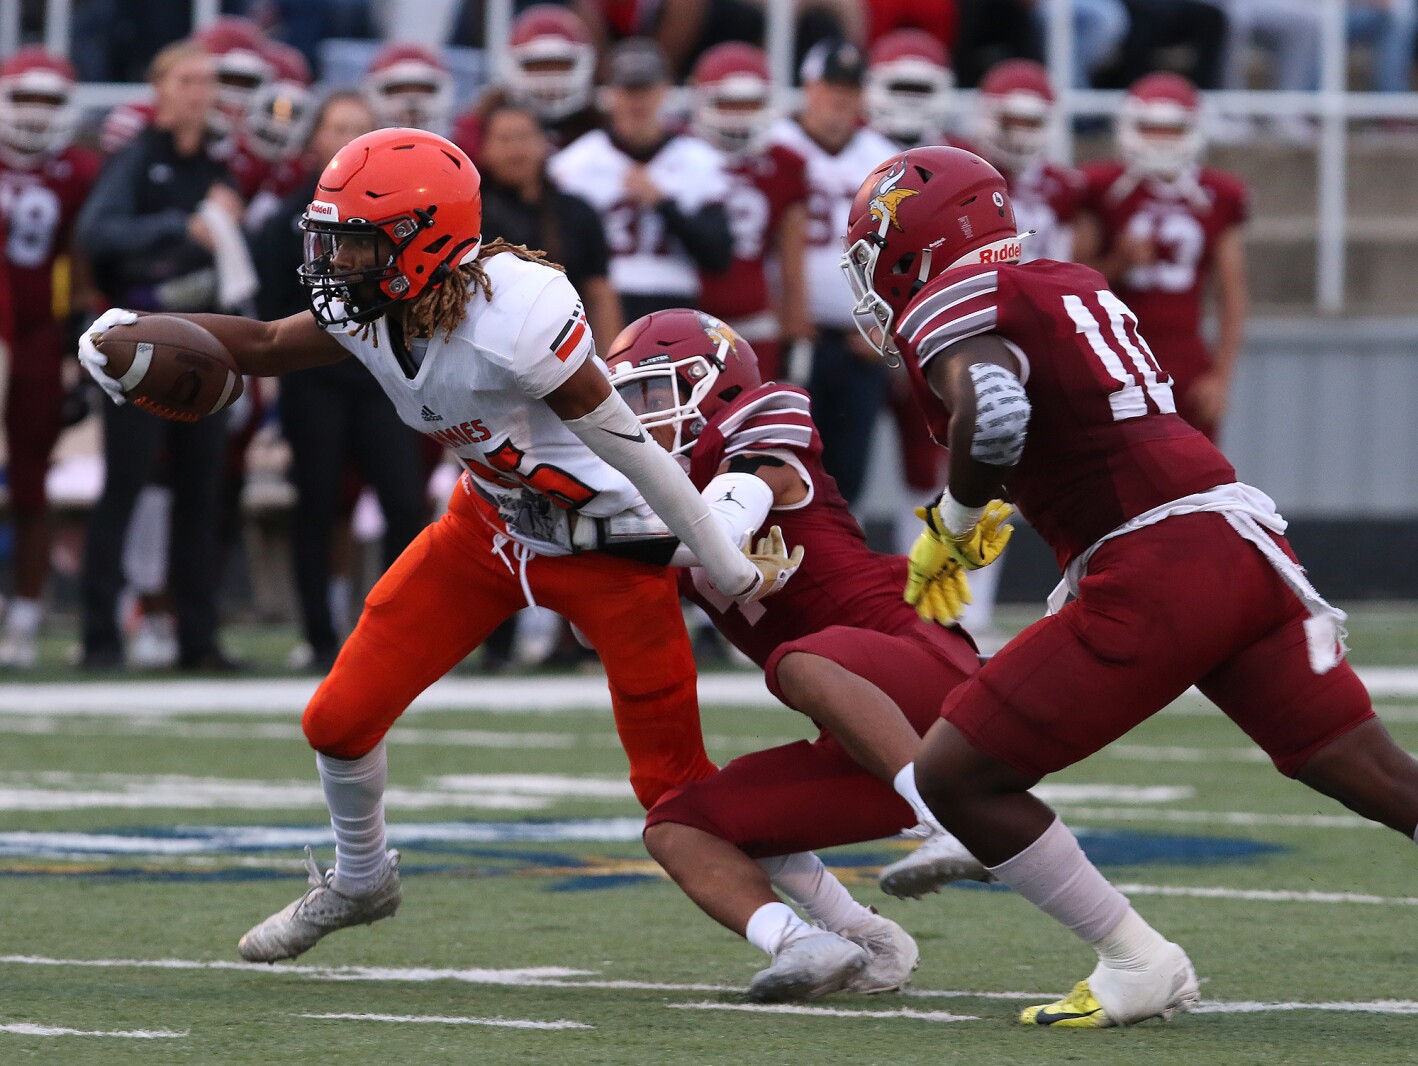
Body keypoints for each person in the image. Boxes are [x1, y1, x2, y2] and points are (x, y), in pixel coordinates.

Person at [79, 127, 803, 962]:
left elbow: (629, 447)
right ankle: (360, 879)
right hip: (489, 532)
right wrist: (135, 329)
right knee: (337, 719)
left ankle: (822, 934)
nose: (333, 263)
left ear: (422, 242)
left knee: (672, 785)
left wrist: (717, 555)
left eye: (353, 244)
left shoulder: (515, 316)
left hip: (606, 549)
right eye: (332, 241)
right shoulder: (375, 309)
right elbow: (270, 345)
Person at [841, 143, 1418, 1028]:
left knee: (955, 777)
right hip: (1240, 546)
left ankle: (1137, 960)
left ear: (913, 242)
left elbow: (993, 412)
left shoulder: (957, 304)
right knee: (1370, 770)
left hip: (1155, 567)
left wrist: (953, 525)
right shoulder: (1065, 278)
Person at [607, 307, 987, 1001]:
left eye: (652, 396)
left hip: (927, 671)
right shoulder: (649, 507)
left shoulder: (760, 434)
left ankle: (949, 819)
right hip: (863, 733)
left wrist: (603, 532)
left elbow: (722, 521)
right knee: (677, 826)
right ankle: (829, 940)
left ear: (711, 386)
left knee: (800, 660)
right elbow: (590, 624)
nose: (638, 419)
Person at [75, 40, 246, 672]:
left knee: (203, 489)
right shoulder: (136, 158)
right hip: (138, 347)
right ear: (160, 92)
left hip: (203, 349)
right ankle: (100, 635)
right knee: (125, 482)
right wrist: (180, 226)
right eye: (187, 79)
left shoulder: (214, 168)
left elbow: (233, 264)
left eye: (208, 80)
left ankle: (197, 639)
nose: (201, 91)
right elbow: (97, 232)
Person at [251, 91, 428, 674]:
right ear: (315, 139)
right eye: (338, 127)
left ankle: (403, 627)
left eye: (359, 128)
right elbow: (272, 313)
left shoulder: (396, 214)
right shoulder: (287, 218)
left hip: (382, 373)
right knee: (319, 503)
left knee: (404, 499)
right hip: (315, 377)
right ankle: (320, 633)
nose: (347, 138)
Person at [1075, 72, 1248, 442]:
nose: (1162, 140)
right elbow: (1070, 284)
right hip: (1113, 357)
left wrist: (1221, 376)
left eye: (1172, 129)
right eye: (1151, 128)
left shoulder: (1219, 194)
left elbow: (1231, 294)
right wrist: (1119, 263)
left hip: (1186, 357)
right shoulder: (1101, 187)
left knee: (1195, 489)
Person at [0, 48, 101, 668]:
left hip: (39, 333)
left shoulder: (80, 170)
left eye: (47, 101)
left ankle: (28, 618)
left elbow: (83, 264)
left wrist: (76, 340)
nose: (35, 115)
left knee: (34, 476)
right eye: (24, 99)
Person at [771, 38, 898, 505]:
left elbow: (906, 249)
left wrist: (889, 327)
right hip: (790, 338)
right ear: (808, 87)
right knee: (784, 468)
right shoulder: (774, 147)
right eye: (830, 86)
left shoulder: (885, 157)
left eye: (850, 87)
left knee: (848, 483)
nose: (840, 98)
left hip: (859, 341)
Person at [549, 38, 733, 323]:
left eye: (645, 89)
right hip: (598, 299)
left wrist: (663, 204)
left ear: (665, 91)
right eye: (628, 89)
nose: (637, 100)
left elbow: (718, 257)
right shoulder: (574, 164)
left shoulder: (700, 160)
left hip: (676, 299)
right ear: (609, 93)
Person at [688, 42, 810, 384]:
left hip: (756, 318)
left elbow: (791, 258)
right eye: (728, 103)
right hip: (690, 315)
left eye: (749, 104)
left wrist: (797, 331)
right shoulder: (678, 153)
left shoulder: (785, 163)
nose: (739, 114)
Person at [478, 97, 622, 351]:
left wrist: (613, 360)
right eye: (504, 139)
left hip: (569, 350)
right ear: (485, 147)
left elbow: (600, 293)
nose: (515, 150)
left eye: (523, 137)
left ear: (544, 143)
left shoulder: (578, 212)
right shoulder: (471, 215)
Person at [363, 41, 455, 135]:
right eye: (397, 90)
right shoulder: (354, 139)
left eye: (422, 90)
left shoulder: (463, 143)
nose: (411, 103)